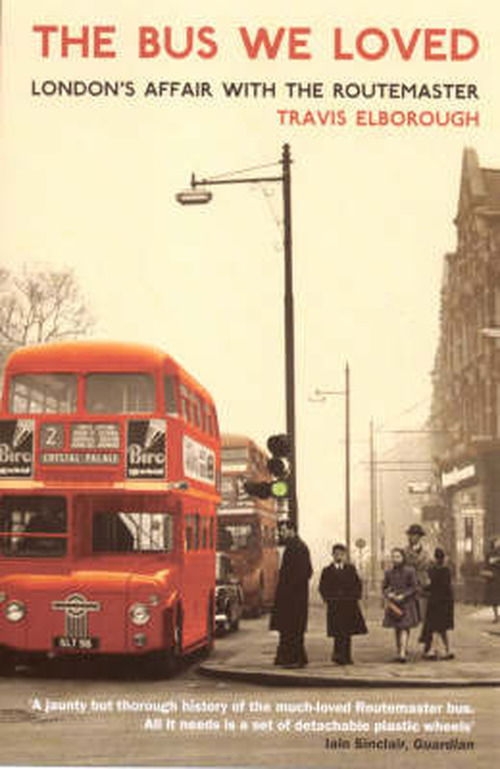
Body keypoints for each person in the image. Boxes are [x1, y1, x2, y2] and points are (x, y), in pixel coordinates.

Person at [270, 519, 312, 668]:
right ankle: (289, 658)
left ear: (292, 530)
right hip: (292, 597)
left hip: (294, 599)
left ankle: (295, 659)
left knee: (293, 629)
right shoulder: (294, 546)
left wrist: (290, 589)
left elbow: (306, 572)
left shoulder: (298, 547)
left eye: (283, 530)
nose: (281, 533)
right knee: (289, 629)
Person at [319, 543, 367, 665]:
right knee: (337, 632)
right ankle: (337, 654)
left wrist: (355, 597)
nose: (339, 556)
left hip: (348, 605)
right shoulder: (327, 570)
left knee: (347, 632)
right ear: (332, 555)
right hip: (335, 605)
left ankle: (347, 656)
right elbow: (322, 587)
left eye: (341, 554)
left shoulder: (350, 569)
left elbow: (357, 584)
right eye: (336, 554)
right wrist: (328, 599)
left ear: (345, 555)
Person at [382, 547, 420, 662]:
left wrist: (404, 595)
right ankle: (399, 651)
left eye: (398, 556)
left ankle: (402, 653)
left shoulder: (410, 571)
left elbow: (415, 587)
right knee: (397, 628)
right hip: (394, 603)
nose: (395, 559)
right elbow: (384, 587)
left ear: (403, 558)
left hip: (406, 603)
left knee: (404, 627)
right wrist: (389, 595)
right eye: (393, 557)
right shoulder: (389, 572)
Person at [419, 547, 455, 659]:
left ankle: (434, 650)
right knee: (443, 628)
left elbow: (429, 586)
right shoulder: (447, 570)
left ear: (435, 558)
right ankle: (448, 650)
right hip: (446, 601)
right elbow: (447, 587)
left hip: (435, 601)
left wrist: (422, 587)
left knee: (435, 628)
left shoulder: (432, 570)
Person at [404, 523, 432, 620]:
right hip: (409, 582)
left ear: (419, 537)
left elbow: (427, 566)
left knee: (422, 606)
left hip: (422, 582)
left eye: (415, 535)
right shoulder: (404, 551)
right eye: (411, 535)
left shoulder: (426, 552)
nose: (413, 537)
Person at [482, 538, 500, 623]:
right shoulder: (489, 553)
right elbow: (486, 564)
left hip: (495, 577)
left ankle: (497, 616)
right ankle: (496, 616)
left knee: (495, 598)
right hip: (494, 578)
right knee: (495, 599)